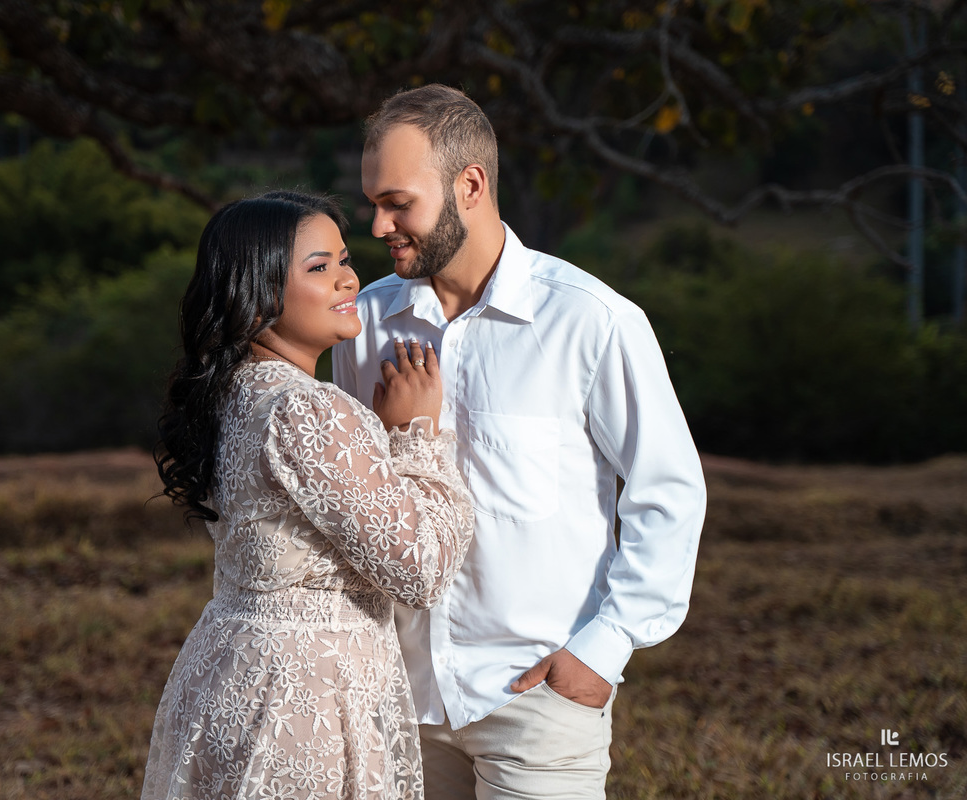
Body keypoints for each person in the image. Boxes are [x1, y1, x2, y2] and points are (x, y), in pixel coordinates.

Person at [332, 85, 707, 799]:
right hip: (401, 701)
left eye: (398, 203)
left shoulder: (590, 321)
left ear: (470, 185)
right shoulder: (366, 325)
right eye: (373, 203)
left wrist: (603, 649)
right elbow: (358, 505)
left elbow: (669, 492)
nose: (378, 225)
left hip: (538, 700)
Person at [140, 190, 475, 800]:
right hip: (301, 700)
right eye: (319, 267)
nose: (348, 279)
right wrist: (414, 436)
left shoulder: (233, 393)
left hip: (232, 671)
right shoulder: (306, 408)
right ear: (257, 292)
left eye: (344, 259)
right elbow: (422, 569)